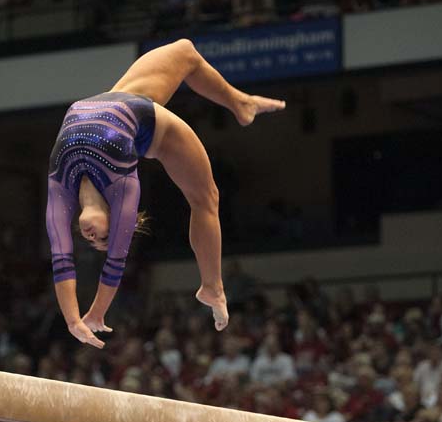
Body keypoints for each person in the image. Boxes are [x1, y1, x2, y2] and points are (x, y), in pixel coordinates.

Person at [46, 39, 285, 348]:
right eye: (106, 237)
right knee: (206, 198)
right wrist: (95, 315)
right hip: (151, 126)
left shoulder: (60, 186)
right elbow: (117, 261)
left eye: (93, 241)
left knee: (185, 50)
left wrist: (73, 320)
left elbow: (61, 258)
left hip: (119, 103)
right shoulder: (122, 187)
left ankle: (241, 103)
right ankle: (212, 286)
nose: (94, 238)